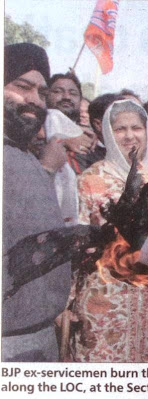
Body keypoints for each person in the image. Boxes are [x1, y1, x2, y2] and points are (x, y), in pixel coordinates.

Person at [68, 100, 148, 362]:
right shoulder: (91, 180)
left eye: (136, 128)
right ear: (108, 133)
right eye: (120, 129)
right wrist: (66, 301)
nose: (130, 136)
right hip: (104, 299)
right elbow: (76, 246)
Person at [2, 42, 71, 362]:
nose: (33, 99)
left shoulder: (22, 152)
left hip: (40, 335)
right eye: (21, 86)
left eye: (42, 93)